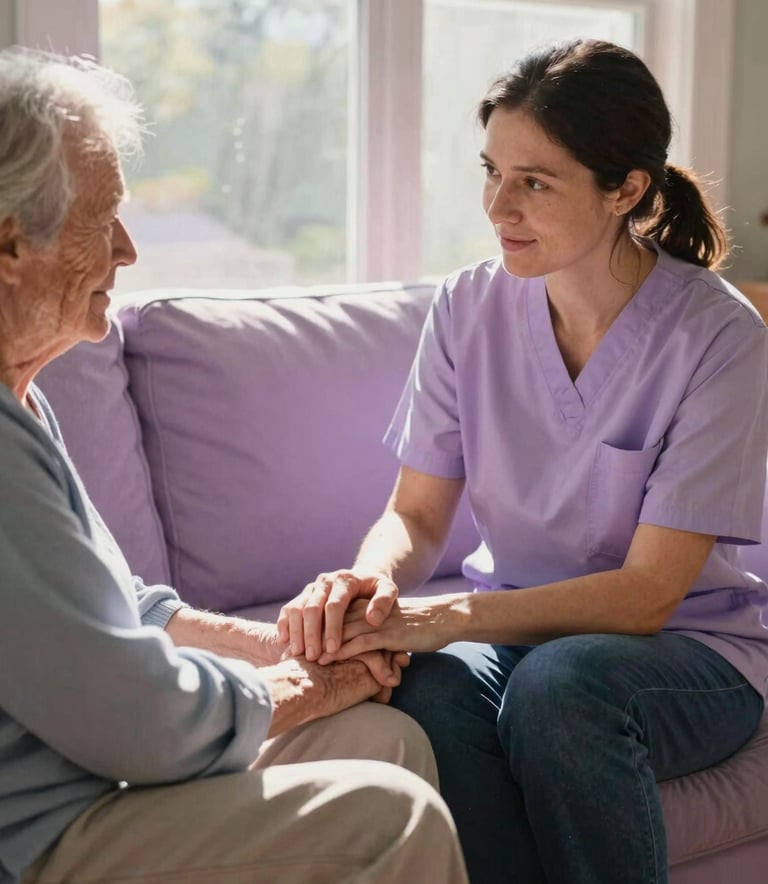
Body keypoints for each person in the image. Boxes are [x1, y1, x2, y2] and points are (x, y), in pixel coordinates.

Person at [278, 37, 768, 884]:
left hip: (697, 651)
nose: (499, 206)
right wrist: (371, 585)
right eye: (491, 171)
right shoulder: (468, 306)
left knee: (562, 689)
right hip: (524, 631)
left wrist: (450, 616)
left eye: (535, 182)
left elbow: (650, 595)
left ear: (628, 190)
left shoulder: (719, 338)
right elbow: (417, 514)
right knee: (424, 685)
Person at [0, 47, 470, 884]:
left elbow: (130, 611)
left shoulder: (27, 402)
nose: (128, 248)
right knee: (388, 820)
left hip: (95, 778)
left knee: (386, 739)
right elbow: (133, 717)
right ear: (10, 245)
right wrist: (309, 686)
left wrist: (296, 648)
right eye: (101, 218)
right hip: (37, 832)